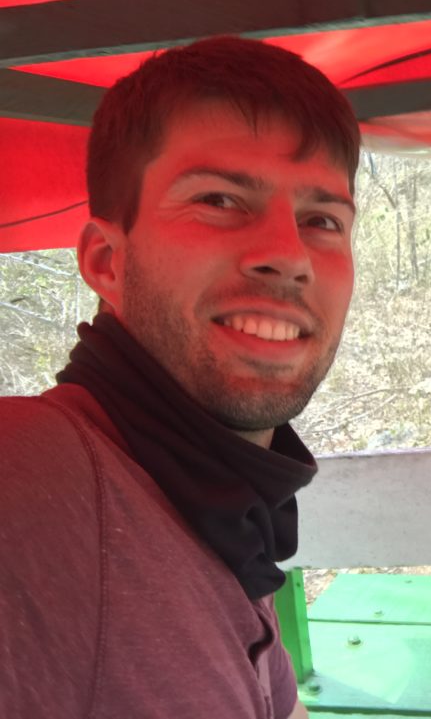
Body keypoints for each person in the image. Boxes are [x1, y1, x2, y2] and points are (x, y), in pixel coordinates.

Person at [0, 36, 360, 718]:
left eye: (322, 219)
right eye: (220, 199)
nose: (289, 255)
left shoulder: (223, 497)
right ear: (107, 260)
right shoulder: (32, 482)